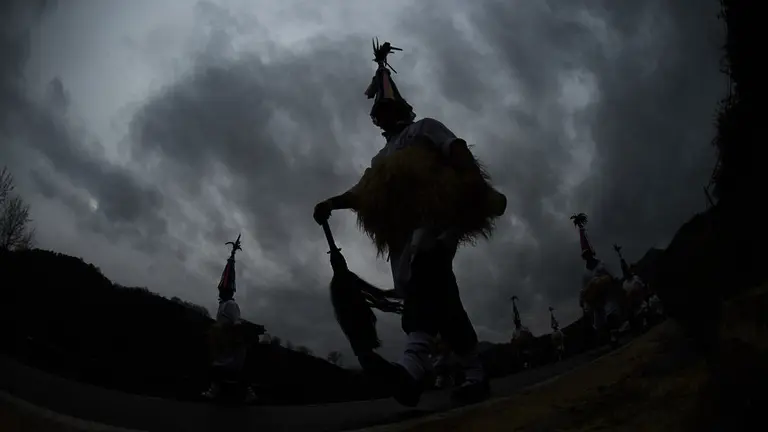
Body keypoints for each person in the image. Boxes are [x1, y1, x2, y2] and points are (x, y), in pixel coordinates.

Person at [313, 40, 507, 407]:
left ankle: (412, 368)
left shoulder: (424, 129)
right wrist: (332, 203)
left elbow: (456, 149)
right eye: (378, 112)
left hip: (434, 224)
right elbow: (362, 192)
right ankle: (475, 373)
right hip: (402, 238)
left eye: (388, 108)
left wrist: (478, 190)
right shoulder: (381, 157)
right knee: (442, 302)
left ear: (401, 107)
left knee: (425, 269)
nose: (383, 115)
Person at [203, 236, 257, 403]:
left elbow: (236, 324)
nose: (221, 291)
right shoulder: (222, 306)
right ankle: (216, 390)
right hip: (223, 344)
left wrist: (233, 339)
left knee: (232, 369)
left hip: (232, 344)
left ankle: (248, 394)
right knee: (218, 367)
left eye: (224, 289)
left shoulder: (231, 305)